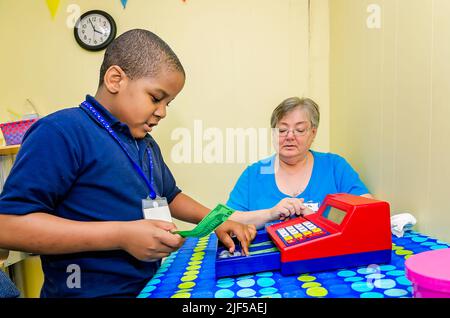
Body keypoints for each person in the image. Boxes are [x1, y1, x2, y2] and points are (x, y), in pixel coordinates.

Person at [0, 29, 256, 298]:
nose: (163, 112)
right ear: (115, 79)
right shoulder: (61, 132)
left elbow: (169, 196)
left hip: (147, 287)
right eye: (156, 98)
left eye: (169, 103)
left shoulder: (145, 143)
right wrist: (121, 235)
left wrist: (217, 220)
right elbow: (7, 226)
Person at [226, 97, 373, 228]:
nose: (290, 136)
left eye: (300, 129)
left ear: (313, 133)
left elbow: (369, 211)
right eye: (282, 130)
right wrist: (270, 214)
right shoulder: (253, 174)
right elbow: (224, 220)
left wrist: (317, 218)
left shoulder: (334, 166)